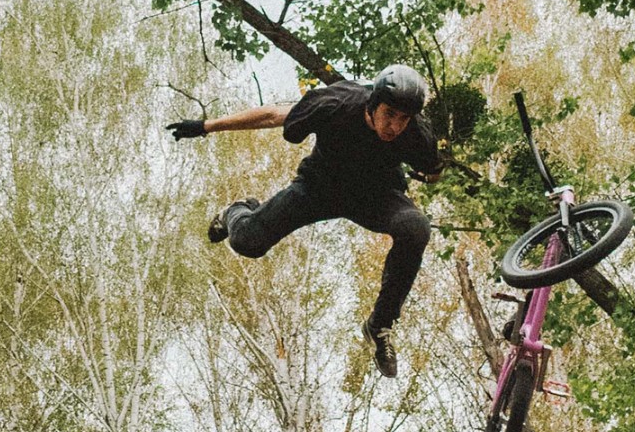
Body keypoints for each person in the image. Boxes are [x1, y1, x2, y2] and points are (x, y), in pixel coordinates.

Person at [168, 65, 443, 379]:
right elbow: (273, 115)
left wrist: (432, 170)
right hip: (317, 189)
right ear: (373, 102)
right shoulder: (337, 102)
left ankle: (379, 325)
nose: (394, 126)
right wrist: (206, 126)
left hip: (376, 197)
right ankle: (238, 210)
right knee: (247, 242)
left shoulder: (415, 132)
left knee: (416, 227)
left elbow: (434, 173)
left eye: (403, 119)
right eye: (389, 114)